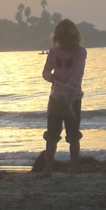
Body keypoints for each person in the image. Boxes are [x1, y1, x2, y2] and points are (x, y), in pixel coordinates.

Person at [37, 19, 86, 178]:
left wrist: (66, 88)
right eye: (61, 40)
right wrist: (52, 79)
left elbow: (78, 74)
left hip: (73, 98)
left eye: (68, 40)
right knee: (52, 135)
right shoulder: (54, 51)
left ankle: (73, 169)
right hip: (56, 98)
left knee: (73, 135)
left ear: (74, 38)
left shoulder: (80, 52)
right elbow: (45, 72)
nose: (64, 44)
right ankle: (48, 168)